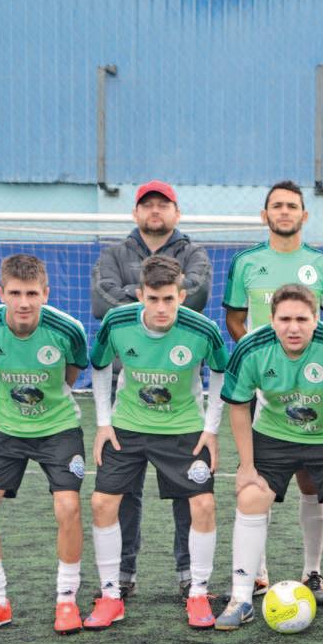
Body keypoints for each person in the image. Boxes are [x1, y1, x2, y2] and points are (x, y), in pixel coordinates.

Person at [216, 285, 323, 633]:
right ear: (271, 320)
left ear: (316, 319)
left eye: (302, 319)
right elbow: (239, 406)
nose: (293, 328)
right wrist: (246, 467)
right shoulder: (251, 347)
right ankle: (241, 599)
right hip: (273, 435)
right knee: (251, 495)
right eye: (285, 319)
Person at [87, 256, 229, 631]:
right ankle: (111, 595)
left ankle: (198, 592)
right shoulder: (117, 322)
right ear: (140, 296)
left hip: (183, 428)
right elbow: (99, 365)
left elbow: (220, 371)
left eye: (169, 299)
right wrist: (103, 422)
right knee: (102, 502)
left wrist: (211, 428)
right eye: (153, 299)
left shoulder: (203, 329)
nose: (161, 308)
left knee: (203, 504)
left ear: (181, 296)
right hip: (128, 426)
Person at [224, 180, 323, 603]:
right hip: (268, 387)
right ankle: (256, 573)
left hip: (314, 390)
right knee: (259, 481)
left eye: (292, 206)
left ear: (304, 215)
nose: (284, 212)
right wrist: (262, 361)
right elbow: (235, 319)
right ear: (265, 215)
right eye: (276, 206)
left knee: (312, 483)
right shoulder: (245, 263)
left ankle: (313, 571)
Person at [90, 179, 213, 601]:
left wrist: (138, 296)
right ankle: (123, 573)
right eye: (147, 204)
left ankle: (188, 574)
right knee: (122, 491)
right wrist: (145, 299)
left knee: (188, 492)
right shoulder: (113, 254)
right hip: (127, 387)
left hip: (179, 391)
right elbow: (100, 302)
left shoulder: (194, 253)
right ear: (135, 212)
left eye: (163, 204)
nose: (155, 210)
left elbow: (195, 297)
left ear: (177, 213)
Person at [0, 254, 90, 635]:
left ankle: (66, 599)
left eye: (32, 293)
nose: (24, 303)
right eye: (15, 293)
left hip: (59, 428)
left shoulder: (68, 330)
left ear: (45, 293)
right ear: (1, 293)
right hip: (5, 429)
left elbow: (70, 375)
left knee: (68, 507)